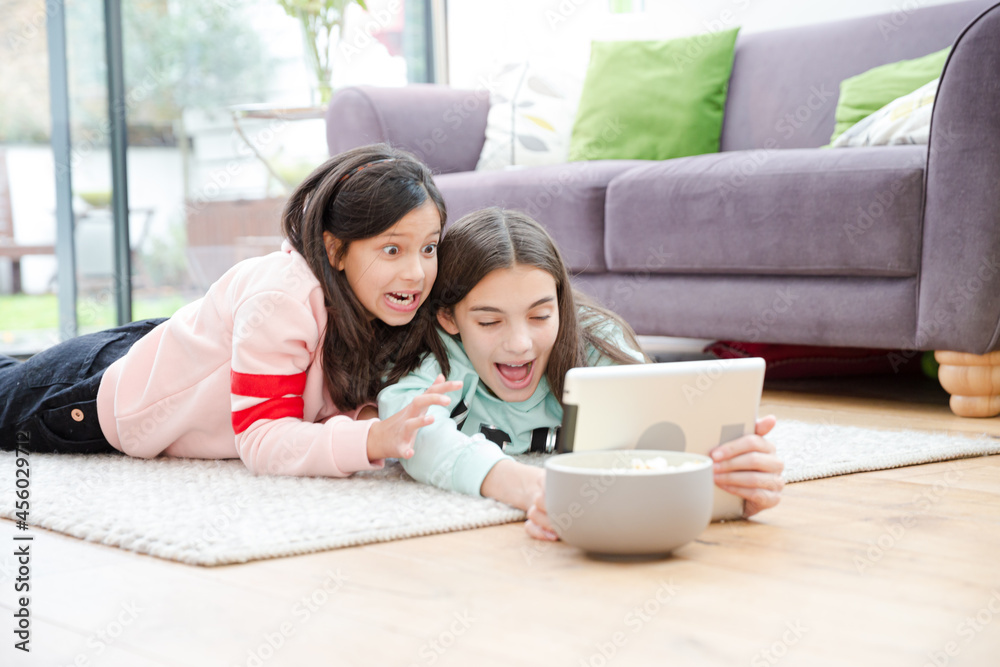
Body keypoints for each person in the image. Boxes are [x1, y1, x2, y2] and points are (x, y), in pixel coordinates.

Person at [0, 144, 461, 477]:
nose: (417, 273)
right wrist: (371, 438)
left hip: (165, 352)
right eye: (393, 250)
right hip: (102, 396)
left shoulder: (376, 302)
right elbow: (263, 439)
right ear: (335, 250)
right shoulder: (282, 302)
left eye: (428, 248)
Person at [379, 208, 784, 541]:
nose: (520, 344)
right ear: (450, 318)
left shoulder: (595, 346)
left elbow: (661, 425)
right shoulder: (444, 362)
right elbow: (412, 433)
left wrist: (731, 481)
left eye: (540, 315)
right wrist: (528, 486)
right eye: (489, 322)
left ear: (561, 304)